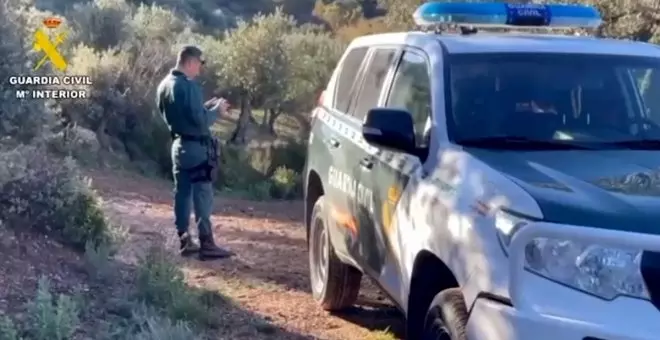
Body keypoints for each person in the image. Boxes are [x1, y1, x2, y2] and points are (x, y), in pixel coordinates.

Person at [156, 45, 234, 260]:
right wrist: (216, 111)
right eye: (199, 64)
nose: (199, 69)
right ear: (190, 62)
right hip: (196, 149)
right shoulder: (188, 86)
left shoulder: (164, 86)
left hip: (178, 146)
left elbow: (183, 113)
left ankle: (185, 239)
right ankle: (207, 243)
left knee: (182, 193)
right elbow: (200, 122)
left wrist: (206, 106)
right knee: (203, 195)